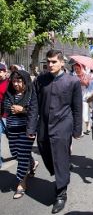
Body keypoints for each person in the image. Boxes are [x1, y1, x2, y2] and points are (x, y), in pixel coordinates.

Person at [27, 49, 82, 214]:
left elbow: (77, 107)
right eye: (48, 62)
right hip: (43, 124)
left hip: (63, 124)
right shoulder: (40, 80)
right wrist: (31, 127)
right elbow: (34, 105)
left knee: (59, 157)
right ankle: (62, 171)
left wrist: (77, 130)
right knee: (44, 151)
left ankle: (61, 193)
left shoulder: (72, 81)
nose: (50, 65)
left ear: (62, 62)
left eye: (53, 62)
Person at [4, 70, 38, 199]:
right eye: (13, 81)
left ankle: (21, 183)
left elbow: (35, 112)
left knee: (22, 156)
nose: (16, 84)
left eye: (19, 81)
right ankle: (32, 163)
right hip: (11, 129)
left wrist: (22, 110)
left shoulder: (31, 94)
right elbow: (6, 108)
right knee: (15, 154)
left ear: (25, 81)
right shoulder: (9, 93)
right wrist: (12, 108)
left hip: (26, 130)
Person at [72, 63, 93, 135]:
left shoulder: (86, 75)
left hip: (85, 96)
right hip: (76, 96)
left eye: (77, 69)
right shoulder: (73, 76)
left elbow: (90, 85)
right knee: (78, 114)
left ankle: (88, 124)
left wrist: (85, 83)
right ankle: (80, 131)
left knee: (84, 115)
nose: (76, 70)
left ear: (81, 68)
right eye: (75, 69)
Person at [0, 63, 9, 169]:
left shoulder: (10, 83)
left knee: (15, 144)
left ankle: (30, 162)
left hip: (8, 117)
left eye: (1, 70)